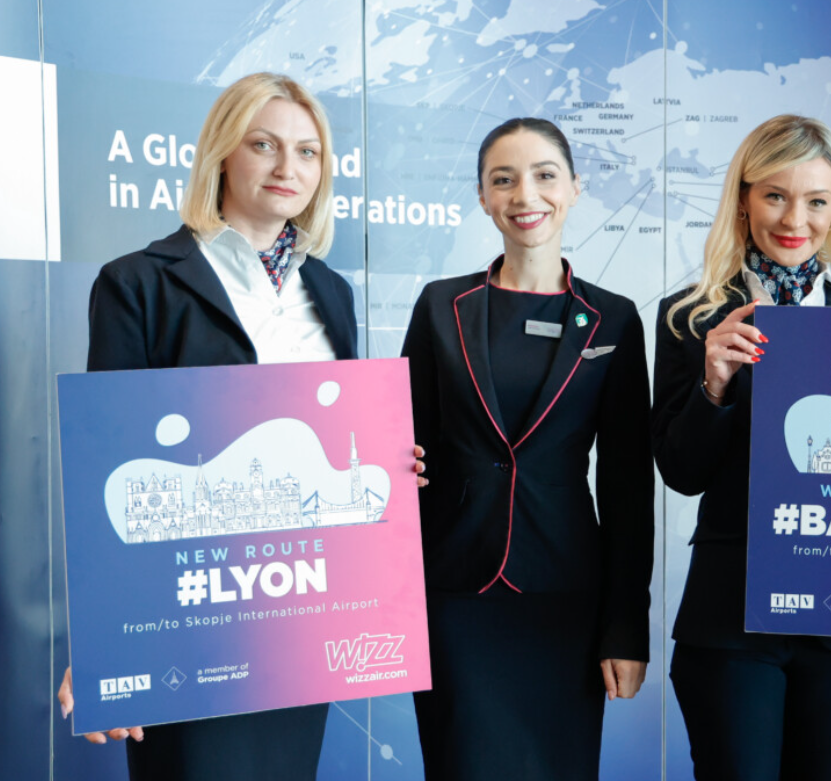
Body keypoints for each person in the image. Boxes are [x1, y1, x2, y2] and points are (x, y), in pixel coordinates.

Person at [53, 73, 416, 779]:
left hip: (303, 615)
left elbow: (335, 444)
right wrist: (109, 645)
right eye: (264, 145)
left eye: (308, 152)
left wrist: (394, 466)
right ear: (222, 153)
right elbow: (114, 474)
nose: (288, 167)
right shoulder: (138, 283)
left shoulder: (330, 291)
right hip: (188, 622)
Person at [402, 117, 654, 780]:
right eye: (503, 179)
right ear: (483, 197)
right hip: (454, 594)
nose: (525, 195)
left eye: (544, 175)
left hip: (565, 601)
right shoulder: (439, 307)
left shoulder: (614, 319)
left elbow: (628, 486)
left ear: (574, 187)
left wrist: (626, 626)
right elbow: (403, 457)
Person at [653, 114, 831, 781]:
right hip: (730, 622)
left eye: (816, 200)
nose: (796, 219)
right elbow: (681, 472)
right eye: (775, 195)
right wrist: (713, 384)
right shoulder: (690, 317)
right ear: (743, 198)